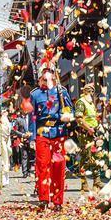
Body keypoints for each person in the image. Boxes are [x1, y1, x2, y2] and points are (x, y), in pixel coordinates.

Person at [29, 67, 73, 209]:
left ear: (54, 77)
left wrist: (67, 114)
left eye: (49, 76)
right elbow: (33, 117)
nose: (46, 79)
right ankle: (44, 198)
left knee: (59, 166)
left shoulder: (62, 91)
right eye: (44, 77)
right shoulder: (35, 95)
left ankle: (58, 200)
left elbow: (70, 109)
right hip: (42, 133)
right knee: (43, 166)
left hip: (58, 132)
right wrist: (32, 137)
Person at [74, 84, 100, 191]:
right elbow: (79, 118)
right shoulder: (81, 102)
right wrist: (88, 128)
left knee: (96, 156)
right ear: (84, 91)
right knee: (85, 157)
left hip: (93, 132)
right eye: (89, 91)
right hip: (85, 133)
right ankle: (84, 183)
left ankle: (97, 181)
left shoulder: (91, 103)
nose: (91, 93)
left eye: (92, 91)